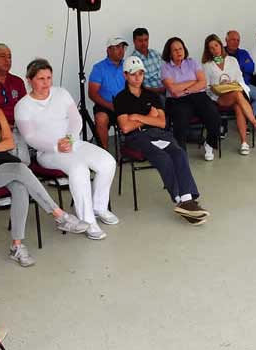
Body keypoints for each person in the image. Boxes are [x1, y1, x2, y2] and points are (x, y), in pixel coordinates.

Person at [0, 67, 91, 264]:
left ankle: (17, 245)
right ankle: (59, 215)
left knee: (20, 185)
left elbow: (9, 143)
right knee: (21, 170)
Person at [16, 59, 118, 240]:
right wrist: (56, 145)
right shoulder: (23, 106)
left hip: (74, 143)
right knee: (79, 169)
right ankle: (87, 221)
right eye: (41, 79)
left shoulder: (61, 93)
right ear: (29, 80)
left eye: (49, 78)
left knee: (108, 162)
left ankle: (99, 207)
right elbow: (30, 138)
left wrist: (70, 138)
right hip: (48, 152)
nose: (46, 83)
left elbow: (76, 119)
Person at [114, 56, 209, 225]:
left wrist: (136, 117)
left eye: (141, 73)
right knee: (163, 157)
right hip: (136, 137)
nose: (138, 77)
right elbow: (126, 128)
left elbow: (162, 122)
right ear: (125, 75)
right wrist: (148, 117)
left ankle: (187, 199)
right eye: (133, 74)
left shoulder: (152, 95)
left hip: (158, 134)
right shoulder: (121, 98)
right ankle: (181, 199)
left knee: (179, 153)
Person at [201, 34, 256, 156]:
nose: (214, 49)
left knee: (239, 104)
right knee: (238, 96)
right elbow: (206, 87)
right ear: (208, 50)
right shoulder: (207, 65)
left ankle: (244, 143)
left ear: (221, 45)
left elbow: (240, 79)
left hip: (234, 92)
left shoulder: (232, 61)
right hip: (218, 97)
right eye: (211, 48)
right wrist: (217, 89)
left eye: (216, 46)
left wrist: (232, 85)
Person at [160, 36, 221, 161]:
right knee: (181, 120)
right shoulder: (166, 67)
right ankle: (181, 154)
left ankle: (209, 144)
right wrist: (193, 82)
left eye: (180, 48)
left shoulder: (192, 62)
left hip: (197, 96)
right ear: (169, 53)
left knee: (214, 116)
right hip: (177, 101)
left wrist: (186, 89)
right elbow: (173, 89)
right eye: (175, 50)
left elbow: (203, 82)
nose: (179, 52)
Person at [0, 43, 30, 164]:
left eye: (9, 57)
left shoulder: (17, 81)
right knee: (21, 162)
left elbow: (25, 107)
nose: (7, 60)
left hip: (18, 126)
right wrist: (2, 125)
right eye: (2, 56)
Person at [88, 37, 128, 150]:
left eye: (122, 47)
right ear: (108, 50)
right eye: (117, 47)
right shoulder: (99, 68)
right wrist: (110, 105)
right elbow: (92, 94)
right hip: (105, 105)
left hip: (125, 104)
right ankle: (104, 152)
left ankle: (134, 149)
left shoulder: (128, 66)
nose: (121, 50)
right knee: (101, 119)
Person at [225, 30, 256, 116]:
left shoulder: (243, 53)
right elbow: (220, 70)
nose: (236, 42)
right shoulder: (220, 53)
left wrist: (238, 68)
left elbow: (251, 68)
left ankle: (247, 116)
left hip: (244, 84)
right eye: (233, 40)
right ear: (226, 40)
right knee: (239, 99)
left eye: (238, 40)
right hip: (228, 85)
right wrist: (242, 66)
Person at [130, 28, 165, 96]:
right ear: (134, 41)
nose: (144, 43)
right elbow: (138, 85)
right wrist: (158, 90)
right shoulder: (132, 61)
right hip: (150, 94)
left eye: (146, 40)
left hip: (166, 88)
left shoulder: (156, 54)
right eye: (140, 41)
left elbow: (167, 71)